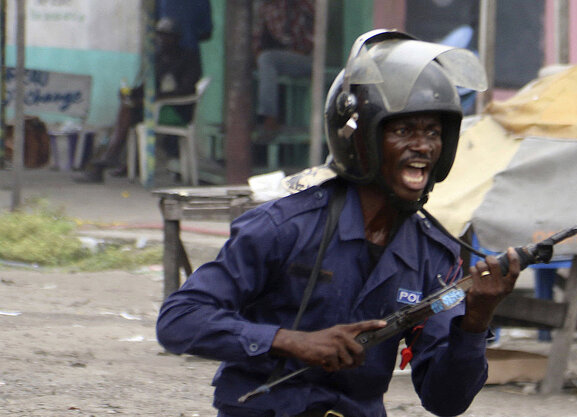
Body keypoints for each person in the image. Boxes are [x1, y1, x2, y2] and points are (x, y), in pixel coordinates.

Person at [156, 30, 521, 417]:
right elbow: (179, 320)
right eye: (403, 130)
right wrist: (290, 341)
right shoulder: (286, 227)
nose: (423, 146)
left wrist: (476, 320)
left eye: (433, 132)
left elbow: (446, 401)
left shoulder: (435, 256)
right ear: (359, 139)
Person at [76, 16, 205, 183]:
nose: (163, 39)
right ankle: (111, 157)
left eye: (167, 36)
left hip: (176, 111)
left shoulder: (188, 58)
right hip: (155, 108)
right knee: (127, 106)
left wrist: (154, 98)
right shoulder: (158, 58)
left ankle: (111, 155)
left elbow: (186, 89)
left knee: (128, 110)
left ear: (176, 38)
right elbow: (148, 86)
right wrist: (131, 93)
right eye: (160, 35)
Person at [252, 0, 315, 134]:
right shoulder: (266, 7)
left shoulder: (300, 5)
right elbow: (256, 41)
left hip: (306, 58)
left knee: (266, 59)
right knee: (261, 60)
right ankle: (252, 120)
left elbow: (318, 22)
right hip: (279, 59)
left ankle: (270, 117)